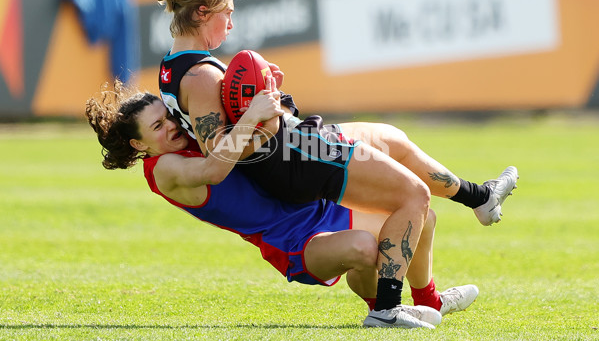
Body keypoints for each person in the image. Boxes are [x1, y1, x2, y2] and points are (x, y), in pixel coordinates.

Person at [85, 79, 480, 328]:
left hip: (318, 207)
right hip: (290, 242)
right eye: (157, 127)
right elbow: (211, 171)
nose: (171, 126)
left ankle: (427, 301)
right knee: (365, 247)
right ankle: (385, 309)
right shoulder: (163, 169)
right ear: (139, 145)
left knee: (419, 217)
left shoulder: (187, 135)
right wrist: (252, 114)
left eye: (167, 117)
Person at [152, 0, 518, 227]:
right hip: (290, 155)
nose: (230, 24)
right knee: (409, 194)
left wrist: (272, 98)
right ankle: (389, 306)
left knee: (393, 139)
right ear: (202, 12)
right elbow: (222, 153)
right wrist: (265, 114)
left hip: (291, 142)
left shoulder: (173, 65)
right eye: (226, 14)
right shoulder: (201, 75)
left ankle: (479, 198)